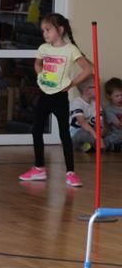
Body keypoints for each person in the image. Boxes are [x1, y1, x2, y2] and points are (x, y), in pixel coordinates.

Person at [18, 13, 93, 187]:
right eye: (43, 30)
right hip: (44, 95)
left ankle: (71, 172)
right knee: (36, 130)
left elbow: (88, 70)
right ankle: (39, 168)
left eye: (48, 30)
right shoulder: (43, 48)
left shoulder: (71, 50)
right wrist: (40, 76)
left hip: (60, 97)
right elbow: (37, 64)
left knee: (64, 134)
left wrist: (72, 84)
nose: (44, 33)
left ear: (60, 30)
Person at [69, 81, 104, 153]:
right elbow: (82, 122)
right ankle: (104, 145)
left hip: (91, 134)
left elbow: (100, 123)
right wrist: (97, 137)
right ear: (87, 90)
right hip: (74, 136)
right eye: (97, 87)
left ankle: (88, 146)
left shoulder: (96, 104)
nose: (99, 89)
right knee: (84, 134)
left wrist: (100, 131)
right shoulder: (76, 102)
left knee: (108, 134)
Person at [102, 77, 122, 150]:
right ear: (109, 96)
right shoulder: (109, 109)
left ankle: (116, 147)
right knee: (116, 136)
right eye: (117, 96)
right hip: (116, 133)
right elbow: (118, 125)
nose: (120, 98)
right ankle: (107, 146)